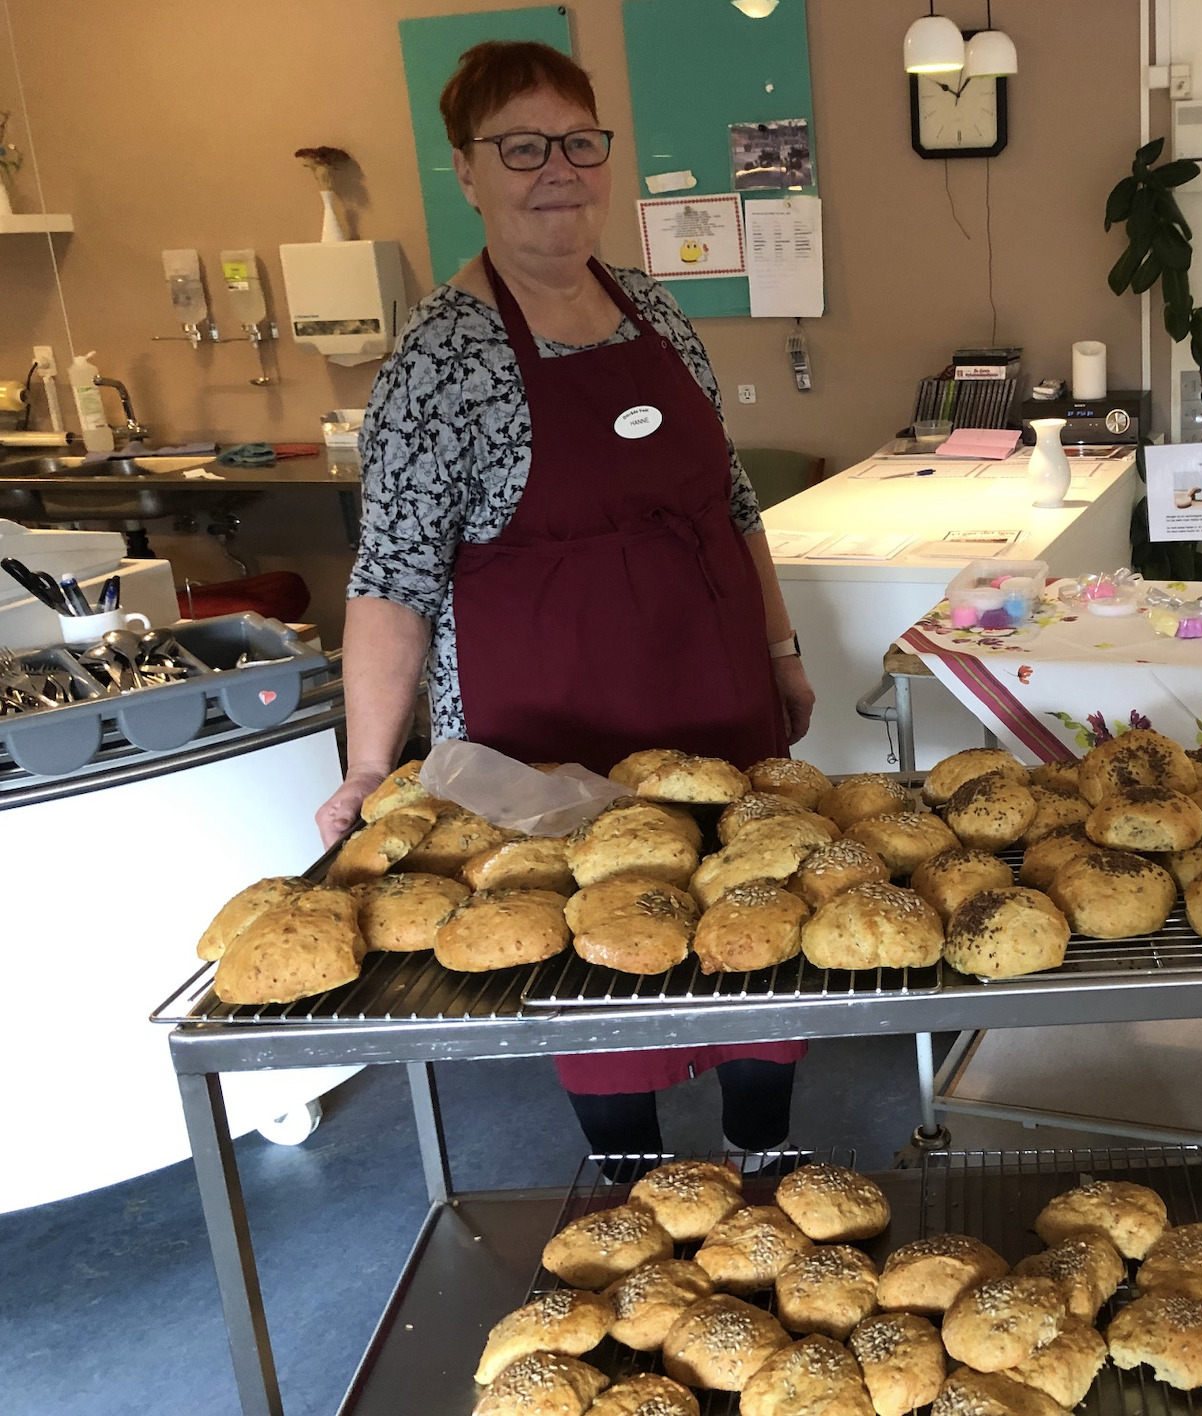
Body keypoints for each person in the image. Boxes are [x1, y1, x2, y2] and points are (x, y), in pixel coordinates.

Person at [316, 40, 816, 1163]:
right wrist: (367, 770)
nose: (558, 170)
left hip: (715, 700)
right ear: (466, 170)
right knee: (597, 968)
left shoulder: (654, 310)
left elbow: (732, 503)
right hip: (550, 743)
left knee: (757, 932)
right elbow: (392, 578)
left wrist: (780, 649)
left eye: (579, 143)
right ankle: (633, 1191)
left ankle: (764, 1159)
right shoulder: (440, 359)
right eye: (522, 147)